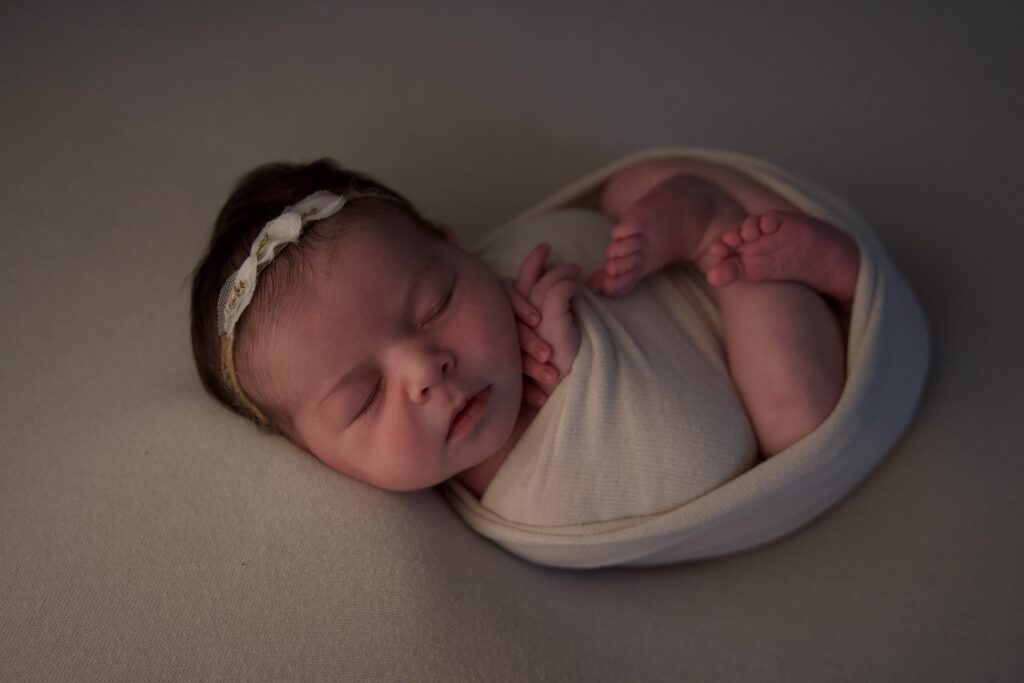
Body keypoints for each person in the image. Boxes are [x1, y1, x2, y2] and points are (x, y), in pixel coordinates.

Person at [190, 155, 859, 499]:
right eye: (363, 399)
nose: (425, 370)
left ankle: (722, 225)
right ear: (315, 456)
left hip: (674, 288)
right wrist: (568, 376)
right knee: (796, 415)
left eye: (437, 301)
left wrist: (556, 321)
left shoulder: (513, 283)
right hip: (734, 347)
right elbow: (593, 453)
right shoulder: (495, 482)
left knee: (629, 188)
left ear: (454, 245)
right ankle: (763, 246)